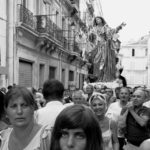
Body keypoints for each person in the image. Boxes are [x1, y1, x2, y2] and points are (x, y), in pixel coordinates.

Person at [89, 16, 125, 82]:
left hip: (106, 45)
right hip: (99, 46)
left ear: (102, 20)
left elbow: (113, 31)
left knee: (106, 61)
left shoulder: (106, 27)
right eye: (96, 20)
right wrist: (91, 36)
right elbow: (91, 37)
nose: (98, 20)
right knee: (96, 60)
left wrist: (120, 26)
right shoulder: (94, 28)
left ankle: (106, 78)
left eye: (99, 19)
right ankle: (99, 77)